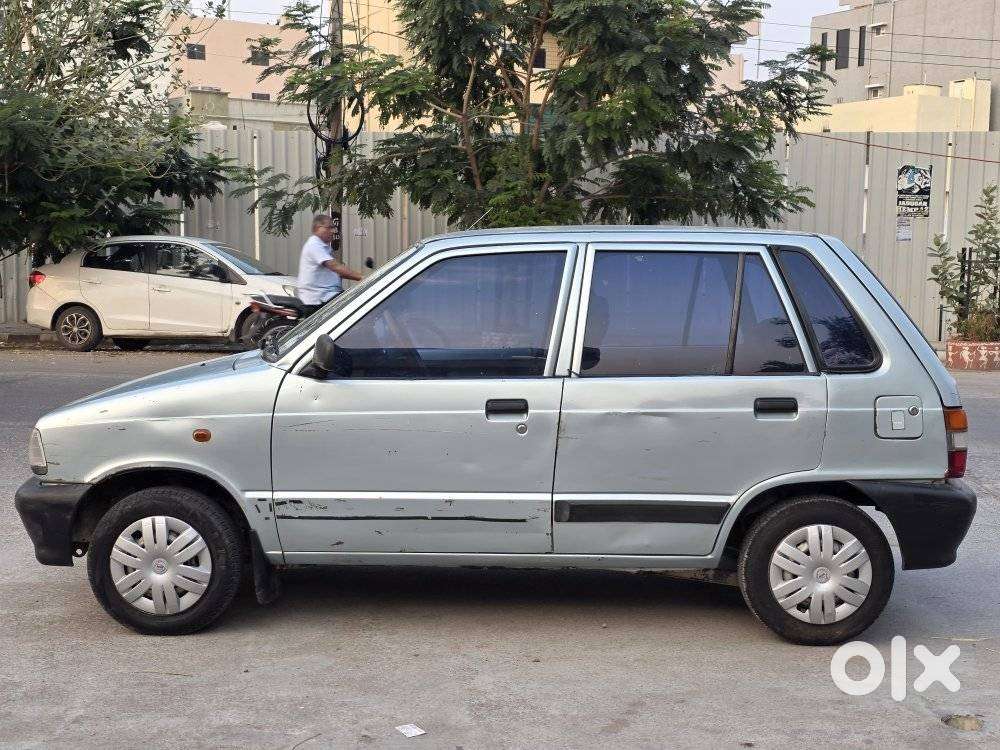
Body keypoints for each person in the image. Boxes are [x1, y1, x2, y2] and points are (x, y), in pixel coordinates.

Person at [296, 214, 363, 313]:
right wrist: (361, 277)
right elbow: (334, 266)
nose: (333, 231)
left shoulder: (323, 247)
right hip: (319, 299)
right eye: (330, 227)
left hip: (328, 295)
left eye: (333, 228)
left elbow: (338, 272)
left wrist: (361, 278)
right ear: (319, 228)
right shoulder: (314, 245)